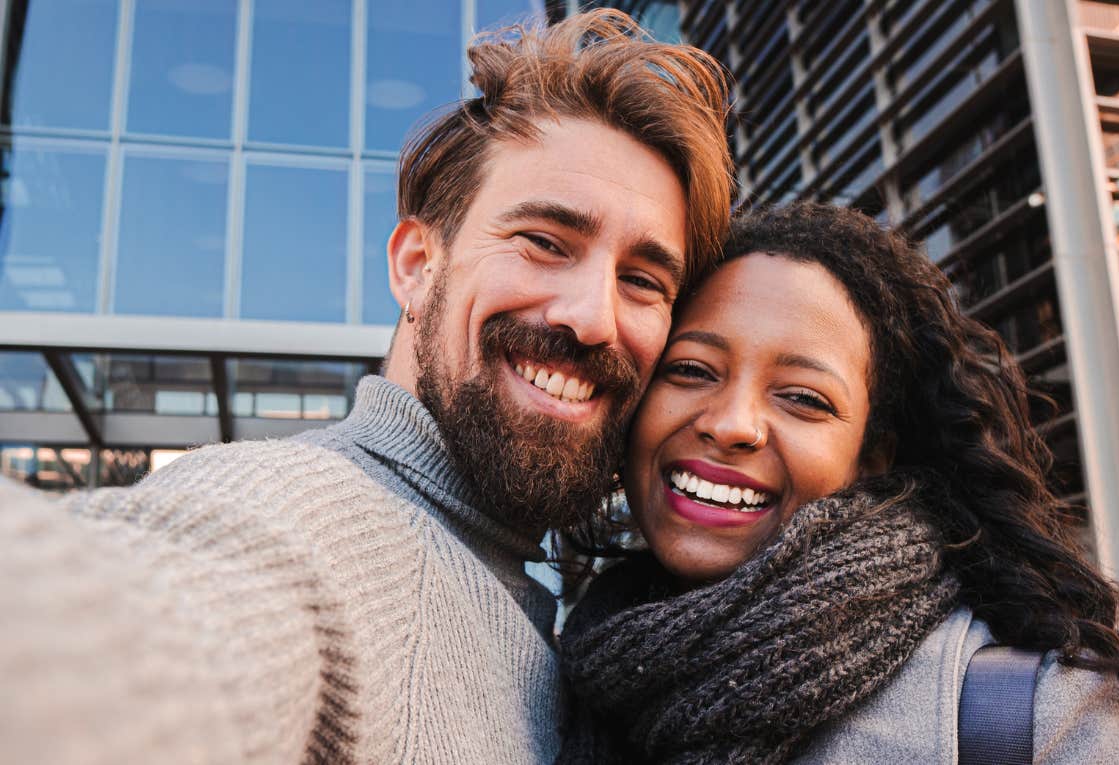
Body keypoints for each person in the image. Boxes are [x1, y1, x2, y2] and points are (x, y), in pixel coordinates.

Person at [0, 10, 730, 764]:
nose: (594, 317)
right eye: (545, 243)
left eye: (642, 280)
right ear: (416, 265)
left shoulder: (540, 611)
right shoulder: (302, 523)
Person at [557, 203, 1119, 763]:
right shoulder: (557, 677)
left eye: (802, 398)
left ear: (874, 456)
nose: (733, 423)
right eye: (691, 370)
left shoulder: (1043, 716)